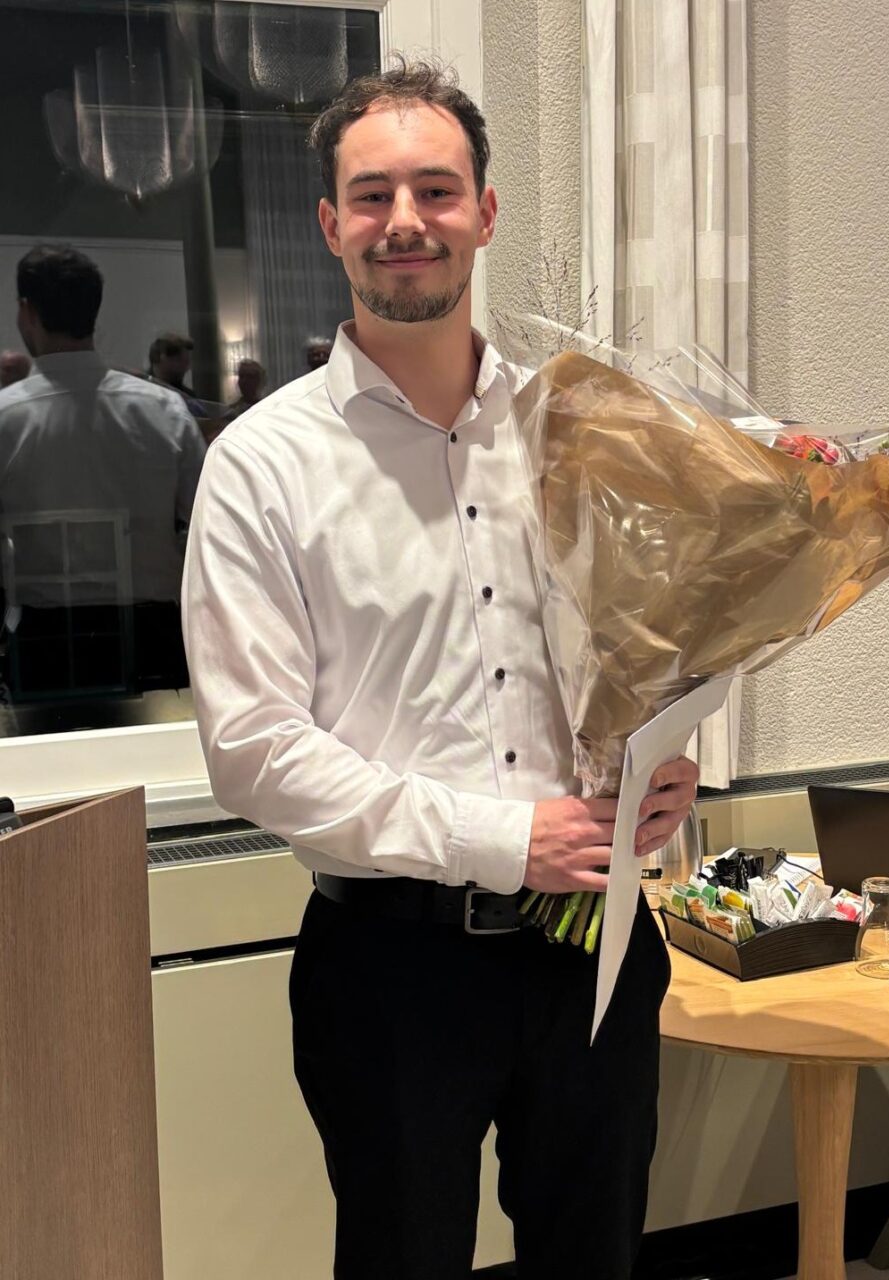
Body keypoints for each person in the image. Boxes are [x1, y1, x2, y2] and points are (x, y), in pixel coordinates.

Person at [182, 59, 698, 1280]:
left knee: (597, 1258)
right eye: (372, 195)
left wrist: (660, 765)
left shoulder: (578, 431)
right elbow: (255, 749)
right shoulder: (262, 465)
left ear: (486, 212)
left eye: (435, 189)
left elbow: (645, 645)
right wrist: (503, 839)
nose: (404, 220)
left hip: (595, 942)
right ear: (330, 225)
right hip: (391, 966)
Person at [0, 245, 206, 698]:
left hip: (41, 648)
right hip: (155, 637)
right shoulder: (164, 410)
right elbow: (207, 525)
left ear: (27, 312)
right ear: (94, 310)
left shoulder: (4, 417)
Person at [147, 331, 206, 418]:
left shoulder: (189, 397)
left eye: (187, 361)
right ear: (161, 358)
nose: (187, 367)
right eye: (180, 360)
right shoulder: (142, 392)